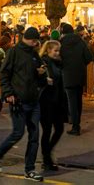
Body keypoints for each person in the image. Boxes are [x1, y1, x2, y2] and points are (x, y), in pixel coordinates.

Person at [0, 26, 46, 181]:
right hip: (19, 100)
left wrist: (42, 74)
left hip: (33, 100)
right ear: (28, 38)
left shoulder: (35, 55)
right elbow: (4, 74)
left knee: (34, 136)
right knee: (18, 132)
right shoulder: (13, 52)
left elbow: (40, 77)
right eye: (34, 40)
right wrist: (8, 93)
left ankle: (29, 170)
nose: (35, 43)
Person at [60, 23, 92, 135]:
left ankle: (75, 126)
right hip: (80, 74)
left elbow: (58, 59)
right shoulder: (81, 42)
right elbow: (88, 57)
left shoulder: (61, 44)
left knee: (71, 101)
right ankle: (77, 123)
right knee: (78, 100)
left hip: (68, 75)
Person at [39, 40, 65, 171]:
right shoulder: (43, 63)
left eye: (58, 50)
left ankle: (47, 153)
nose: (57, 53)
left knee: (59, 128)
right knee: (47, 130)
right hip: (46, 102)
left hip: (57, 101)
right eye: (55, 50)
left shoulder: (58, 63)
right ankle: (46, 159)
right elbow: (36, 78)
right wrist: (44, 79)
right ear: (48, 50)